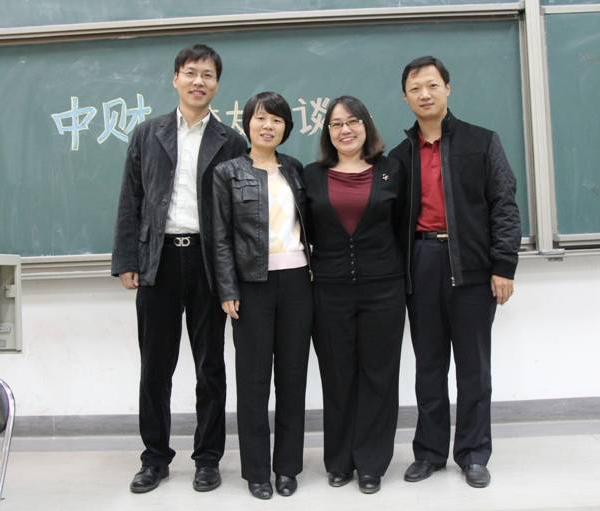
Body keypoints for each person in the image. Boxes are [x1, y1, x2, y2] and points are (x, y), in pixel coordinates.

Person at [111, 44, 246, 494]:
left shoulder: (231, 140)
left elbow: (239, 212)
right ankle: (154, 458)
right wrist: (127, 260)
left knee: (210, 367)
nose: (198, 81)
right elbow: (131, 199)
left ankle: (208, 459)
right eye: (191, 73)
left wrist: (234, 273)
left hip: (208, 261)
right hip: (159, 259)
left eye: (207, 75)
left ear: (217, 84)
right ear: (175, 79)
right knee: (155, 367)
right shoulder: (148, 133)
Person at [389, 55, 521, 488]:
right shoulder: (400, 157)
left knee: (473, 368)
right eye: (415, 88)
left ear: (448, 88)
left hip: (473, 266)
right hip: (421, 263)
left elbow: (504, 204)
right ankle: (429, 452)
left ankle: (473, 453)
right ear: (405, 97)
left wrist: (504, 265)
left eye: (432, 85)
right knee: (428, 367)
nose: (424, 94)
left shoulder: (482, 142)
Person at [212, 92, 313, 500]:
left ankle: (287, 467)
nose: (268, 126)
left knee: (293, 378)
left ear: (286, 127)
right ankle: (257, 471)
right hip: (251, 286)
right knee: (253, 382)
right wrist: (227, 288)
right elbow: (220, 236)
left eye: (276, 119)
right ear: (247, 124)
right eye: (260, 118)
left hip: (298, 283)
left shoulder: (296, 169)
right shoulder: (227, 173)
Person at [303, 96, 405, 495]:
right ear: (327, 132)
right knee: (337, 377)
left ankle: (372, 463)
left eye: (353, 122)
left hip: (384, 288)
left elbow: (402, 228)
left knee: (379, 376)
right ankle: (340, 460)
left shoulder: (391, 171)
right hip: (329, 290)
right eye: (336, 124)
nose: (345, 130)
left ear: (366, 125)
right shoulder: (311, 175)